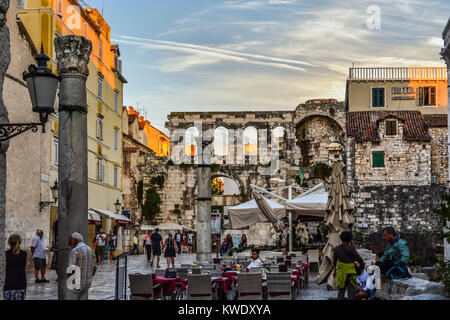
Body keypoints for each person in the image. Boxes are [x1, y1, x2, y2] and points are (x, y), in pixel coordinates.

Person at [332, 231, 365, 300]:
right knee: (351, 292)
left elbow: (334, 262)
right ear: (350, 239)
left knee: (341, 291)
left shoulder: (337, 248)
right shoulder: (351, 248)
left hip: (341, 273)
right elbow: (360, 260)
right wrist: (360, 268)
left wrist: (334, 272)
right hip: (351, 272)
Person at [67, 232, 96, 300]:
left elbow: (71, 269)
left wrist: (69, 282)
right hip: (87, 283)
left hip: (76, 284)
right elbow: (94, 267)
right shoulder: (90, 250)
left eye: (70, 241)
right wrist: (89, 277)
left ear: (75, 240)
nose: (69, 243)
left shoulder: (75, 251)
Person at [4, 234, 27, 300]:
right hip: (21, 284)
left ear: (9, 243)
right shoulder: (24, 254)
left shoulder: (6, 254)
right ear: (20, 242)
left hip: (9, 284)